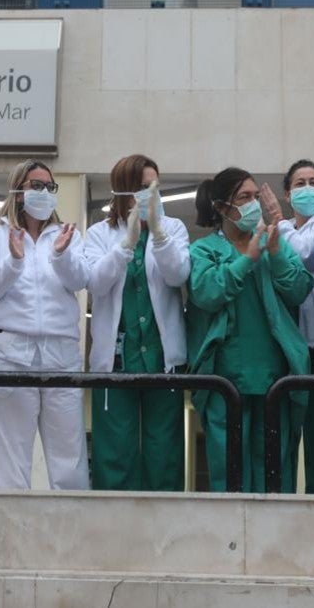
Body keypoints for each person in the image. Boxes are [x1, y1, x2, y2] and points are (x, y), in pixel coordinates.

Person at [187, 167, 313, 492]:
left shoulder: (273, 244)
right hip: (226, 378)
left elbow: (299, 289)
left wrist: (273, 250)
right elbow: (207, 293)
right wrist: (247, 259)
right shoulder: (204, 250)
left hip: (274, 378)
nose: (253, 204)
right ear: (220, 207)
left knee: (274, 469)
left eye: (256, 197)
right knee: (230, 471)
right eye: (244, 197)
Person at [0, 159, 90, 490]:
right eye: (36, 185)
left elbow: (82, 279)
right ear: (18, 192)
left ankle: (71, 536)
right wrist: (14, 260)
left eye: (50, 187)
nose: (45, 192)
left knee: (70, 461)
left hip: (61, 354)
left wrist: (61, 255)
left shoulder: (66, 234)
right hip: (9, 353)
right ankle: (10, 539)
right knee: (11, 464)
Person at [84, 155, 190, 491]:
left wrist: (157, 234)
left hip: (163, 360)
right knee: (115, 453)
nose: (150, 194)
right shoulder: (99, 233)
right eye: (144, 187)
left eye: (155, 187)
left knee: (164, 454)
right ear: (125, 189)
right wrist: (126, 245)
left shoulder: (173, 228)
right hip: (115, 360)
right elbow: (96, 283)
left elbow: (178, 275)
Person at [258, 159, 314, 493]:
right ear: (287, 193)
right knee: (283, 441)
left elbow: (306, 255)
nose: (308, 189)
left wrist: (278, 223)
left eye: (313, 182)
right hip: (288, 350)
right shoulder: (280, 230)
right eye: (299, 183)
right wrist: (279, 226)